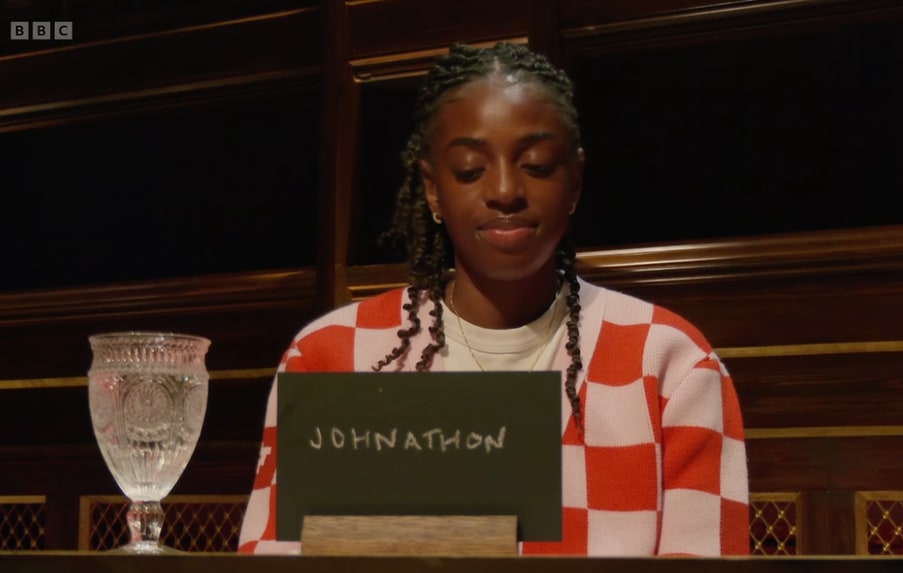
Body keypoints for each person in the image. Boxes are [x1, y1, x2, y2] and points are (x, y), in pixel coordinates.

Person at [238, 42, 748, 556]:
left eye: (538, 165)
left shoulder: (669, 363)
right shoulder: (330, 357)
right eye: (469, 169)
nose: (505, 190)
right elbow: (278, 559)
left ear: (575, 180)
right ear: (433, 189)